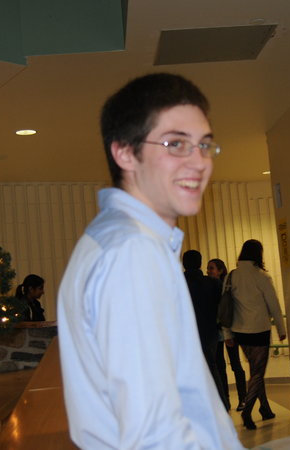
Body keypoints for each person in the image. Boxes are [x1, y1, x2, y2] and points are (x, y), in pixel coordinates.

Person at [56, 73, 243, 449]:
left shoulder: (115, 239)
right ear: (125, 152)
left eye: (204, 145)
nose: (199, 162)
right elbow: (154, 435)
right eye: (176, 143)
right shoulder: (132, 252)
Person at [226, 239, 287, 430]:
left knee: (255, 372)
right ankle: (247, 410)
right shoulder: (261, 276)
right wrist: (281, 329)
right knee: (258, 373)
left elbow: (225, 306)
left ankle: (265, 409)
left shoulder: (232, 276)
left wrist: (227, 333)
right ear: (258, 254)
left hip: (240, 332)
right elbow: (274, 305)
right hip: (259, 330)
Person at [183, 250, 229, 411]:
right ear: (200, 263)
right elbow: (221, 307)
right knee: (212, 368)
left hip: (185, 336)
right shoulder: (212, 283)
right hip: (209, 333)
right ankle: (222, 405)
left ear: (184, 264)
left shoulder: (175, 283)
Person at [207, 258, 247, 412]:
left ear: (220, 270)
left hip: (229, 330)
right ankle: (225, 400)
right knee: (220, 366)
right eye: (208, 268)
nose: (208, 271)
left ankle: (243, 398)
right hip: (217, 330)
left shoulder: (227, 286)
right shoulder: (209, 286)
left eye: (211, 268)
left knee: (235, 364)